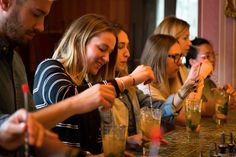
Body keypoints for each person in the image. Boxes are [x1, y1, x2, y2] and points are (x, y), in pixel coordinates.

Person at [0, 0, 116, 156]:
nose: (41, 27)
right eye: (36, 14)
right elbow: (7, 129)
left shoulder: (16, 62)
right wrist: (77, 102)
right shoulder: (50, 67)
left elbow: (32, 133)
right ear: (5, 2)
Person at [33, 14, 154, 154]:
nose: (107, 59)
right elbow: (63, 95)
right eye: (102, 49)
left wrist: (126, 142)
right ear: (79, 40)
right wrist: (130, 79)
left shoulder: (86, 84)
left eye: (109, 52)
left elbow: (92, 145)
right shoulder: (49, 67)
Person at [138, 34, 203, 125]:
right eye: (175, 57)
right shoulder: (145, 88)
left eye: (180, 56)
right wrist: (201, 75)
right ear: (159, 57)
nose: (180, 63)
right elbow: (184, 120)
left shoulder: (171, 78)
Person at [186, 37, 236, 116]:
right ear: (192, 62)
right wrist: (224, 102)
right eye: (207, 56)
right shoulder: (187, 83)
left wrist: (225, 95)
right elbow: (192, 112)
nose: (213, 59)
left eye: (213, 55)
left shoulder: (209, 82)